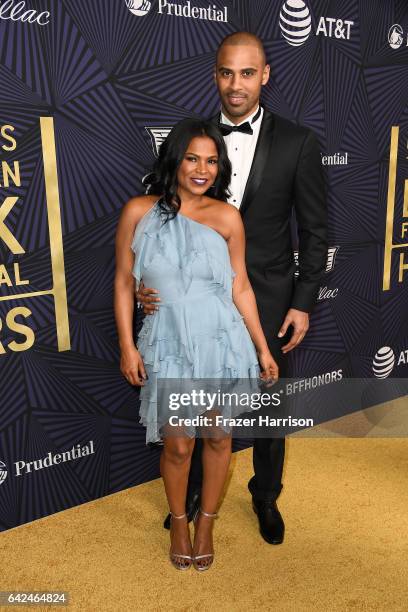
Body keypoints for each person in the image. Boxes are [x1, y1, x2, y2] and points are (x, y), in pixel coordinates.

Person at [137, 32, 328, 545]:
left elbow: (315, 232)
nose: (236, 84)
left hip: (262, 295)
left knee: (266, 407)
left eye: (247, 73)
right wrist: (144, 286)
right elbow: (155, 225)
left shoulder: (298, 142)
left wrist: (303, 304)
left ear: (265, 75)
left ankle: (265, 495)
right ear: (215, 75)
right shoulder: (195, 141)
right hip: (191, 304)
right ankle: (194, 493)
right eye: (226, 73)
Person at [114, 117, 279, 571]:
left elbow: (241, 286)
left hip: (222, 342)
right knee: (179, 445)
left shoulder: (228, 217)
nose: (201, 169)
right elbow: (125, 284)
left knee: (219, 436)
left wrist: (263, 348)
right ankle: (180, 521)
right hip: (168, 342)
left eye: (211, 160)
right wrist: (127, 345)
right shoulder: (138, 211)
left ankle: (206, 522)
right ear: (175, 160)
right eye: (192, 158)